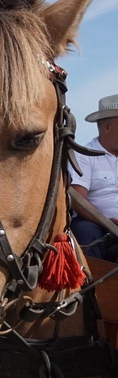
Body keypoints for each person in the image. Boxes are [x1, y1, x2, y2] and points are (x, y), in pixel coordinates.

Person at [70, 93, 118, 262]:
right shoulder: (84, 155)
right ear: (107, 127)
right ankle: (90, 286)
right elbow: (77, 199)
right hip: (96, 224)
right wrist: (107, 223)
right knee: (85, 231)